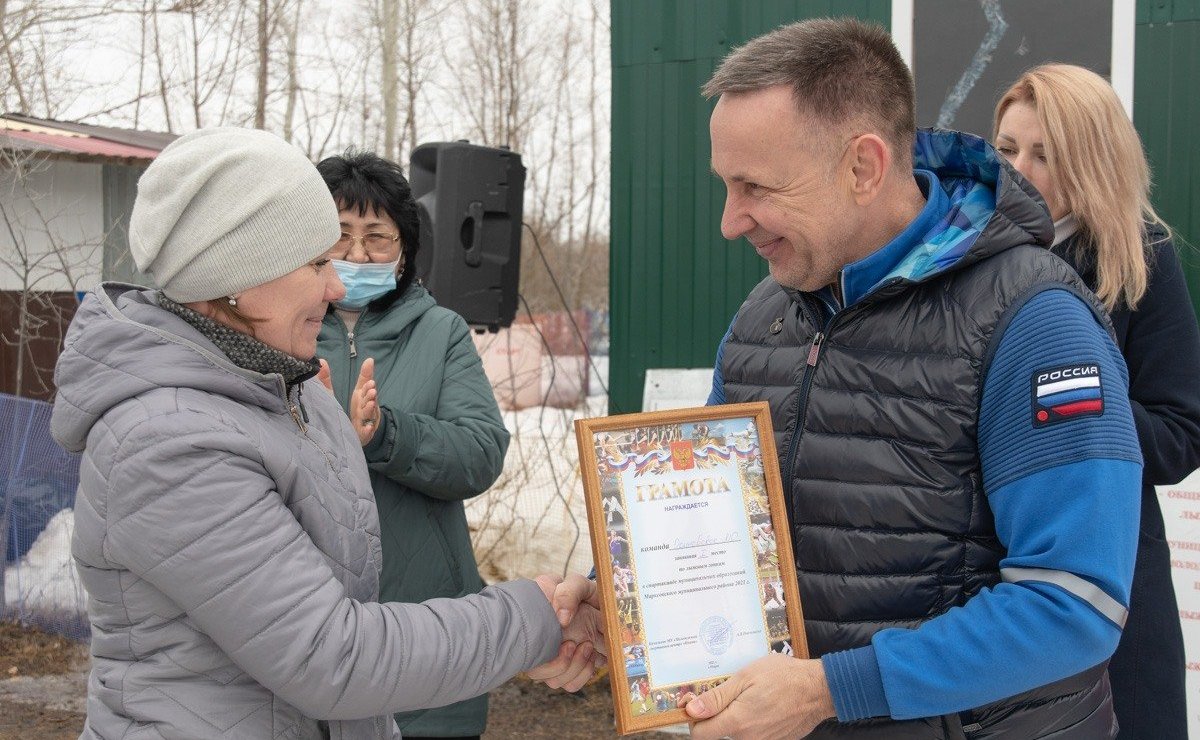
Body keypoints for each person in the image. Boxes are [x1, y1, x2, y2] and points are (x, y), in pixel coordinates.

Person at [50, 127, 604, 739]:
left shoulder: (281, 385)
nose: (338, 284)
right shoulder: (167, 440)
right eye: (318, 261)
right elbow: (330, 655)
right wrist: (535, 620)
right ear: (238, 273)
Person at [678, 18, 1140, 739]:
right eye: (726, 186)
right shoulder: (765, 314)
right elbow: (705, 518)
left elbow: (1074, 603)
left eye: (754, 187)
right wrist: (623, 601)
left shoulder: (1034, 321)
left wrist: (834, 689)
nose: (731, 222)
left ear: (862, 167)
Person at [994, 63, 1200, 739]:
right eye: (1007, 149)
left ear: (1089, 161)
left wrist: (1071, 405)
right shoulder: (962, 257)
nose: (1019, 170)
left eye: (1044, 155)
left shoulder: (1141, 257)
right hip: (991, 579)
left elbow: (1179, 434)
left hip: (1113, 584)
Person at [312, 149, 508, 740]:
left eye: (377, 237)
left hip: (428, 617)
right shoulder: (277, 333)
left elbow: (480, 451)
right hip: (307, 621)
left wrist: (384, 435)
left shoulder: (440, 330)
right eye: (340, 234)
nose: (356, 253)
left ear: (404, 251)